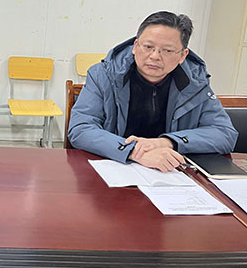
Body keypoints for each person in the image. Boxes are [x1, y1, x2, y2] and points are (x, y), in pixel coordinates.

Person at [68, 11, 237, 172]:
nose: (155, 56)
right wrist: (134, 151)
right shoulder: (104, 75)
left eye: (168, 50)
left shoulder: (195, 83)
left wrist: (168, 142)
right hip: (115, 168)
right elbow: (81, 129)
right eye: (148, 46)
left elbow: (224, 134)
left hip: (170, 173)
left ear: (183, 55)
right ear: (135, 46)